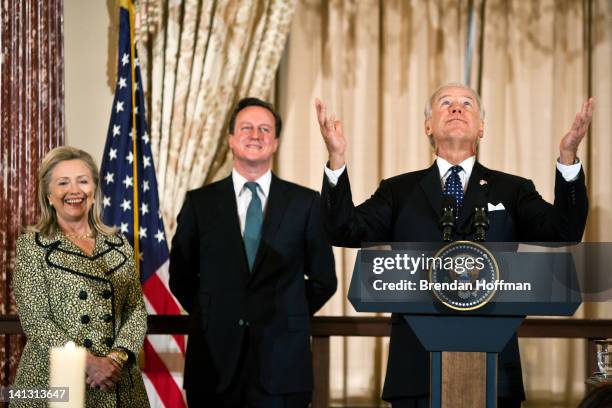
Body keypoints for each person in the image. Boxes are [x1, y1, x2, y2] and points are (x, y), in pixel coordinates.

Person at [315, 83, 593, 407]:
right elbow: (342, 231)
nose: (456, 108)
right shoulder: (398, 191)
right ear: (428, 126)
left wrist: (569, 157)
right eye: (445, 103)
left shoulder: (511, 189)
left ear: (482, 127)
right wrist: (336, 159)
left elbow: (564, 231)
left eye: (467, 103)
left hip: (495, 368)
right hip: (415, 366)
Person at [169, 97, 337, 407]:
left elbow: (324, 279)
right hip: (213, 364)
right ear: (231, 140)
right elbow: (180, 275)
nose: (255, 135)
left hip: (283, 366)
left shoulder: (305, 203)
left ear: (274, 143)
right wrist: (215, 313)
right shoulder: (200, 203)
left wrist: (287, 313)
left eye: (264, 129)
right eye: (246, 128)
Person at [12, 146, 149, 407]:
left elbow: (135, 310)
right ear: (49, 195)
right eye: (63, 182)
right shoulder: (32, 246)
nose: (74, 190)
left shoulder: (119, 244)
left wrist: (115, 360)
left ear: (94, 191)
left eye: (83, 181)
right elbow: (36, 320)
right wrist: (90, 363)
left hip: (117, 380)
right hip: (53, 383)